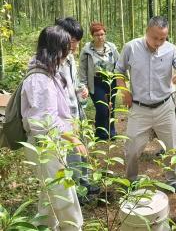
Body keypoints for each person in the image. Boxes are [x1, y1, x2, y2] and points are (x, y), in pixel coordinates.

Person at [115, 16, 176, 193]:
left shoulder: (171, 49)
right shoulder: (131, 47)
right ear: (147, 31)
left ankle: (172, 180)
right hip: (139, 107)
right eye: (154, 37)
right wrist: (124, 91)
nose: (158, 42)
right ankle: (131, 180)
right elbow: (119, 71)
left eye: (162, 38)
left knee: (171, 147)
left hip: (165, 106)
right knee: (132, 147)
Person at [21, 26, 86, 230]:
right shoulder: (39, 78)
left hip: (53, 144)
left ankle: (45, 226)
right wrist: (73, 138)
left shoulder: (49, 71)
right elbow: (45, 121)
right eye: (67, 46)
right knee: (63, 192)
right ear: (56, 48)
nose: (71, 50)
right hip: (45, 146)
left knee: (49, 192)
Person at [56, 17, 100, 202]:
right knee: (72, 156)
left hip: (77, 114)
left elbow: (73, 83)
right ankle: (77, 193)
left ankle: (84, 182)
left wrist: (81, 89)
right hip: (64, 119)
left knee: (82, 152)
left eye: (77, 41)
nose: (75, 45)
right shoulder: (54, 62)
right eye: (72, 41)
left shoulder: (70, 59)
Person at [79, 22, 120, 140]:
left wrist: (122, 77)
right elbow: (82, 69)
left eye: (102, 34)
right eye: (97, 35)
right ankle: (100, 133)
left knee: (111, 107)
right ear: (92, 36)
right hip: (96, 83)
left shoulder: (112, 47)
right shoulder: (86, 50)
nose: (100, 37)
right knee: (102, 108)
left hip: (111, 81)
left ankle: (111, 132)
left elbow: (119, 62)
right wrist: (84, 85)